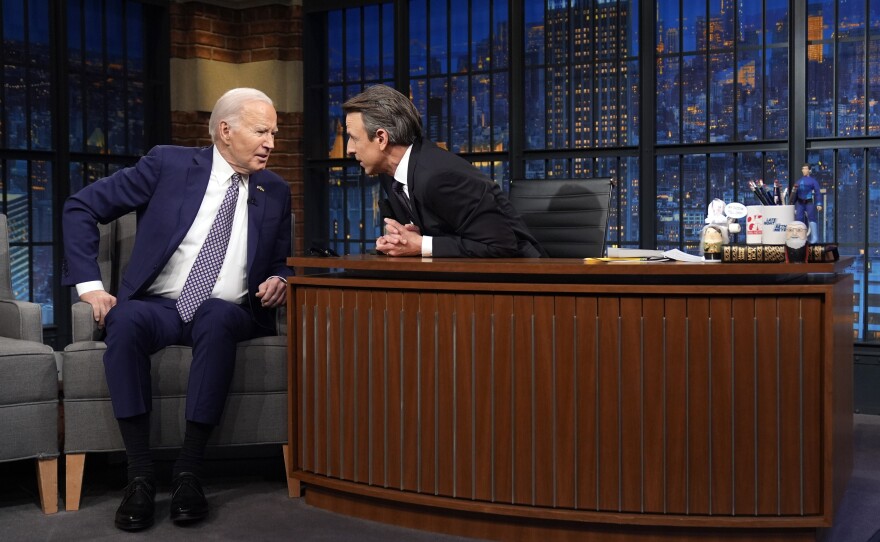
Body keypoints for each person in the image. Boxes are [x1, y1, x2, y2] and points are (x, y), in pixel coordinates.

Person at [61, 88, 292, 531]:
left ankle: (190, 472)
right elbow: (82, 206)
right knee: (124, 320)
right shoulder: (167, 164)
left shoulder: (274, 189)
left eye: (274, 133)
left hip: (227, 310)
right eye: (262, 131)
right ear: (226, 131)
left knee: (218, 315)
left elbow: (281, 257)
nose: (271, 143)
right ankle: (140, 477)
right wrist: (91, 288)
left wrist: (279, 278)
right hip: (159, 306)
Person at [341, 84, 545, 258]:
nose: (349, 149)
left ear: (381, 138)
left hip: (524, 282)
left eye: (354, 138)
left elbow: (502, 245)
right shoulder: (391, 174)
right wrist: (407, 237)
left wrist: (421, 245)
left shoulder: (438, 175)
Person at [792, 163, 821, 243]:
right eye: (803, 168)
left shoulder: (813, 181)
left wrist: (819, 204)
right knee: (799, 218)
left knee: (812, 218)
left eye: (805, 168)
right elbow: (795, 194)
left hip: (809, 202)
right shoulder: (798, 182)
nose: (804, 170)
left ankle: (814, 237)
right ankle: (800, 237)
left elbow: (817, 192)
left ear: (809, 170)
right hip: (800, 203)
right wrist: (792, 204)